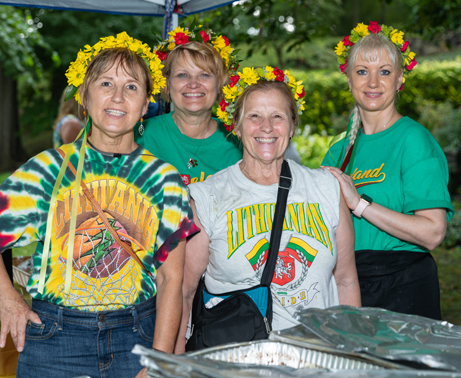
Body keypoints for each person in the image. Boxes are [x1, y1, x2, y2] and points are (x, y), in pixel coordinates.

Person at [0, 32, 199, 378]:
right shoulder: (46, 169)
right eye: (106, 83)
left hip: (135, 337)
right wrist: (6, 298)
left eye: (132, 87)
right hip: (55, 341)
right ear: (84, 96)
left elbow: (171, 278)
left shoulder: (164, 179)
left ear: (145, 104)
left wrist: (158, 360)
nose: (118, 96)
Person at [176, 67, 361, 353]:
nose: (266, 127)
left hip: (317, 361)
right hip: (236, 363)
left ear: (292, 125)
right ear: (236, 125)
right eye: (254, 116)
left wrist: (352, 355)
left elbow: (346, 280)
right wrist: (176, 365)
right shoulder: (207, 196)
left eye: (277, 116)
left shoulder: (325, 188)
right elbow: (184, 292)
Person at [322, 21, 454, 320]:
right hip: (349, 285)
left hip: (404, 286)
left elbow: (433, 232)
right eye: (362, 71)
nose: (372, 82)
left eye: (384, 71)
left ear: (399, 80)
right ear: (349, 79)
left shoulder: (413, 140)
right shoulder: (338, 151)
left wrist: (360, 204)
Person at [135, 27, 243, 185]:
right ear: (167, 84)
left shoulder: (238, 141)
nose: (193, 84)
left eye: (204, 75)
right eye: (182, 75)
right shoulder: (141, 135)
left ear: (220, 84)